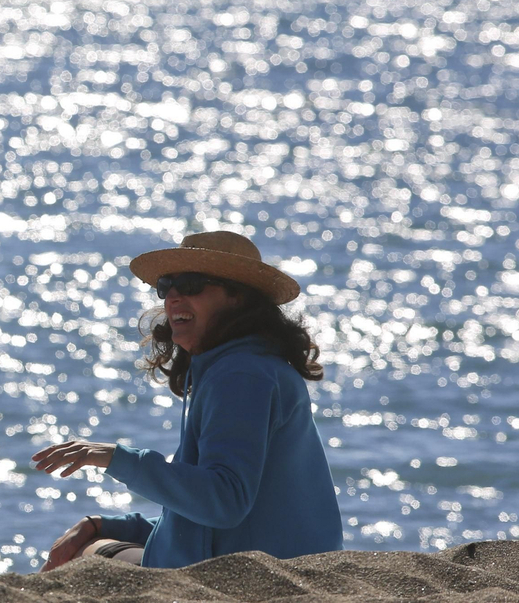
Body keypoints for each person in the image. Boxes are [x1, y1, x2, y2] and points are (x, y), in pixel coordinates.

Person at [32, 231, 342, 570]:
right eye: (166, 286)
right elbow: (211, 521)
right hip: (268, 562)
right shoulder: (248, 366)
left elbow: (224, 502)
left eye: (192, 284)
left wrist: (115, 458)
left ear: (238, 297)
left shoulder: (241, 374)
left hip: (257, 579)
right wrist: (106, 525)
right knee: (98, 539)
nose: (174, 297)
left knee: (87, 557)